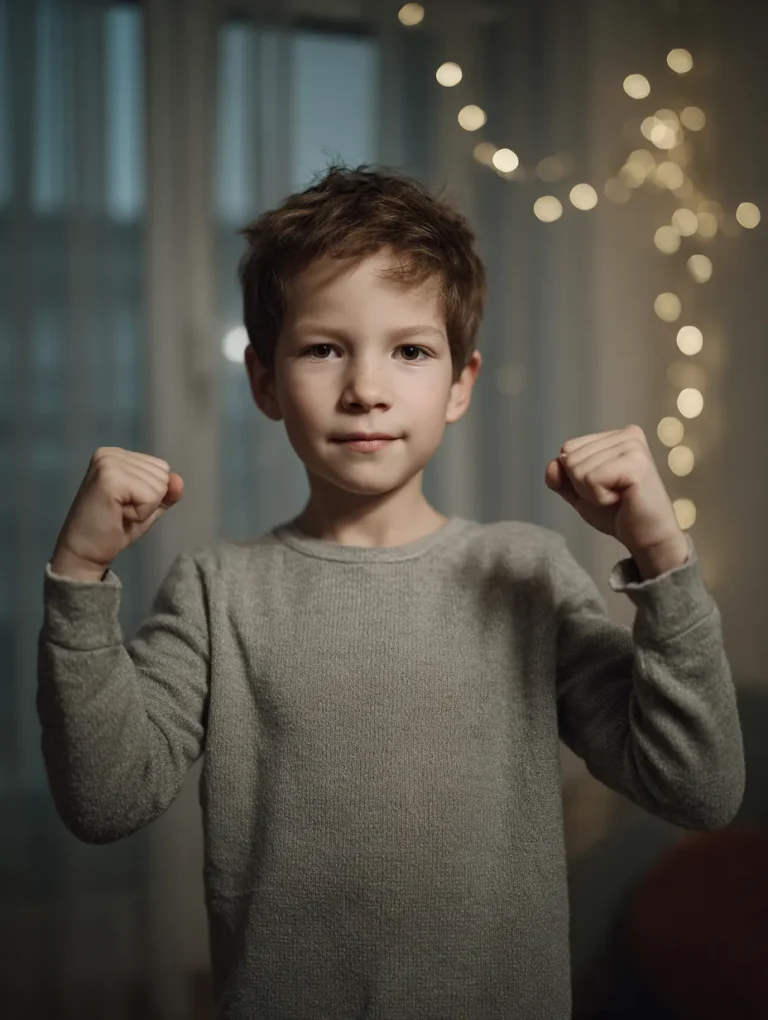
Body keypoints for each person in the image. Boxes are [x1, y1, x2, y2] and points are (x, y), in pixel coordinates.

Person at [37, 164, 745, 1020]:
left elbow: (699, 788)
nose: (366, 390)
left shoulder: (527, 573)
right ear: (265, 382)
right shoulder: (216, 591)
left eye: (410, 351)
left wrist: (660, 554)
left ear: (460, 384)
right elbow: (106, 801)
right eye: (323, 349)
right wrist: (79, 575)